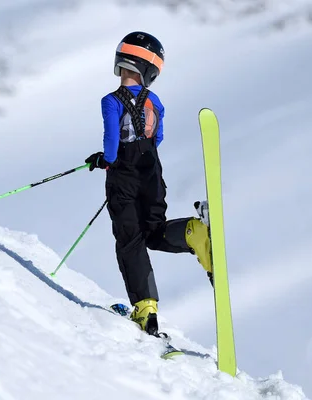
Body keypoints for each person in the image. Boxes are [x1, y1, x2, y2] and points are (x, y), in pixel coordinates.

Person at [85, 32, 212, 336]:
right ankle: (194, 234)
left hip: (124, 177)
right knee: (154, 231)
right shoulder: (154, 101)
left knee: (130, 239)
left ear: (121, 62)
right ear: (150, 69)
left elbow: (112, 142)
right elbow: (160, 137)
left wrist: (105, 160)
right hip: (152, 173)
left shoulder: (110, 101)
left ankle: (145, 309)